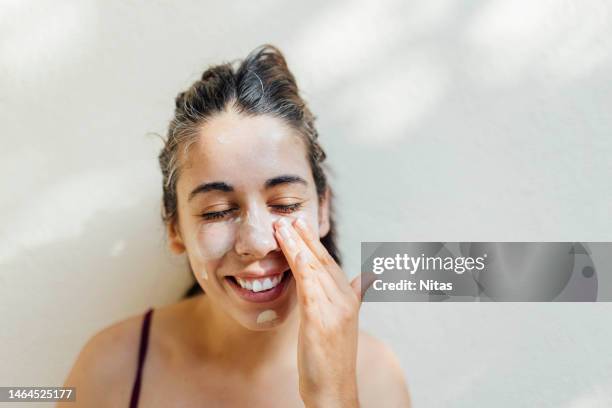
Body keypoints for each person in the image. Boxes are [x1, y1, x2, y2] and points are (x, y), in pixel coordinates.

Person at [59, 44, 411, 407]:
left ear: (322, 210)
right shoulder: (111, 367)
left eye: (285, 204)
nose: (257, 242)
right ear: (175, 229)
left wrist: (332, 397)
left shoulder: (375, 377)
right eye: (215, 211)